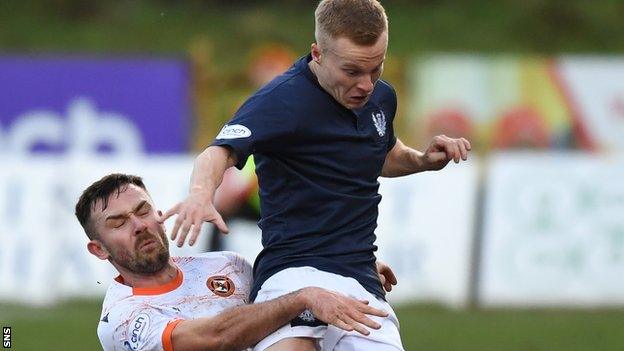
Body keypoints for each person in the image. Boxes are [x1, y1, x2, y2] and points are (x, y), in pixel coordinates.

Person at [164, 0, 470, 350]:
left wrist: (422, 160)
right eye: (352, 71)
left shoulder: (382, 98)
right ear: (318, 54)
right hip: (291, 274)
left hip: (360, 280)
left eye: (376, 69)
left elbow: (382, 154)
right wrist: (200, 195)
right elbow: (217, 152)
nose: (366, 85)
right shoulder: (280, 100)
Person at [75, 173, 392, 351]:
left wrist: (342, 277)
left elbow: (282, 295)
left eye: (143, 211)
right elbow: (217, 338)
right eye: (119, 223)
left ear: (159, 215)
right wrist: (307, 295)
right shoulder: (123, 319)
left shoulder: (229, 267)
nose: (139, 225)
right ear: (99, 249)